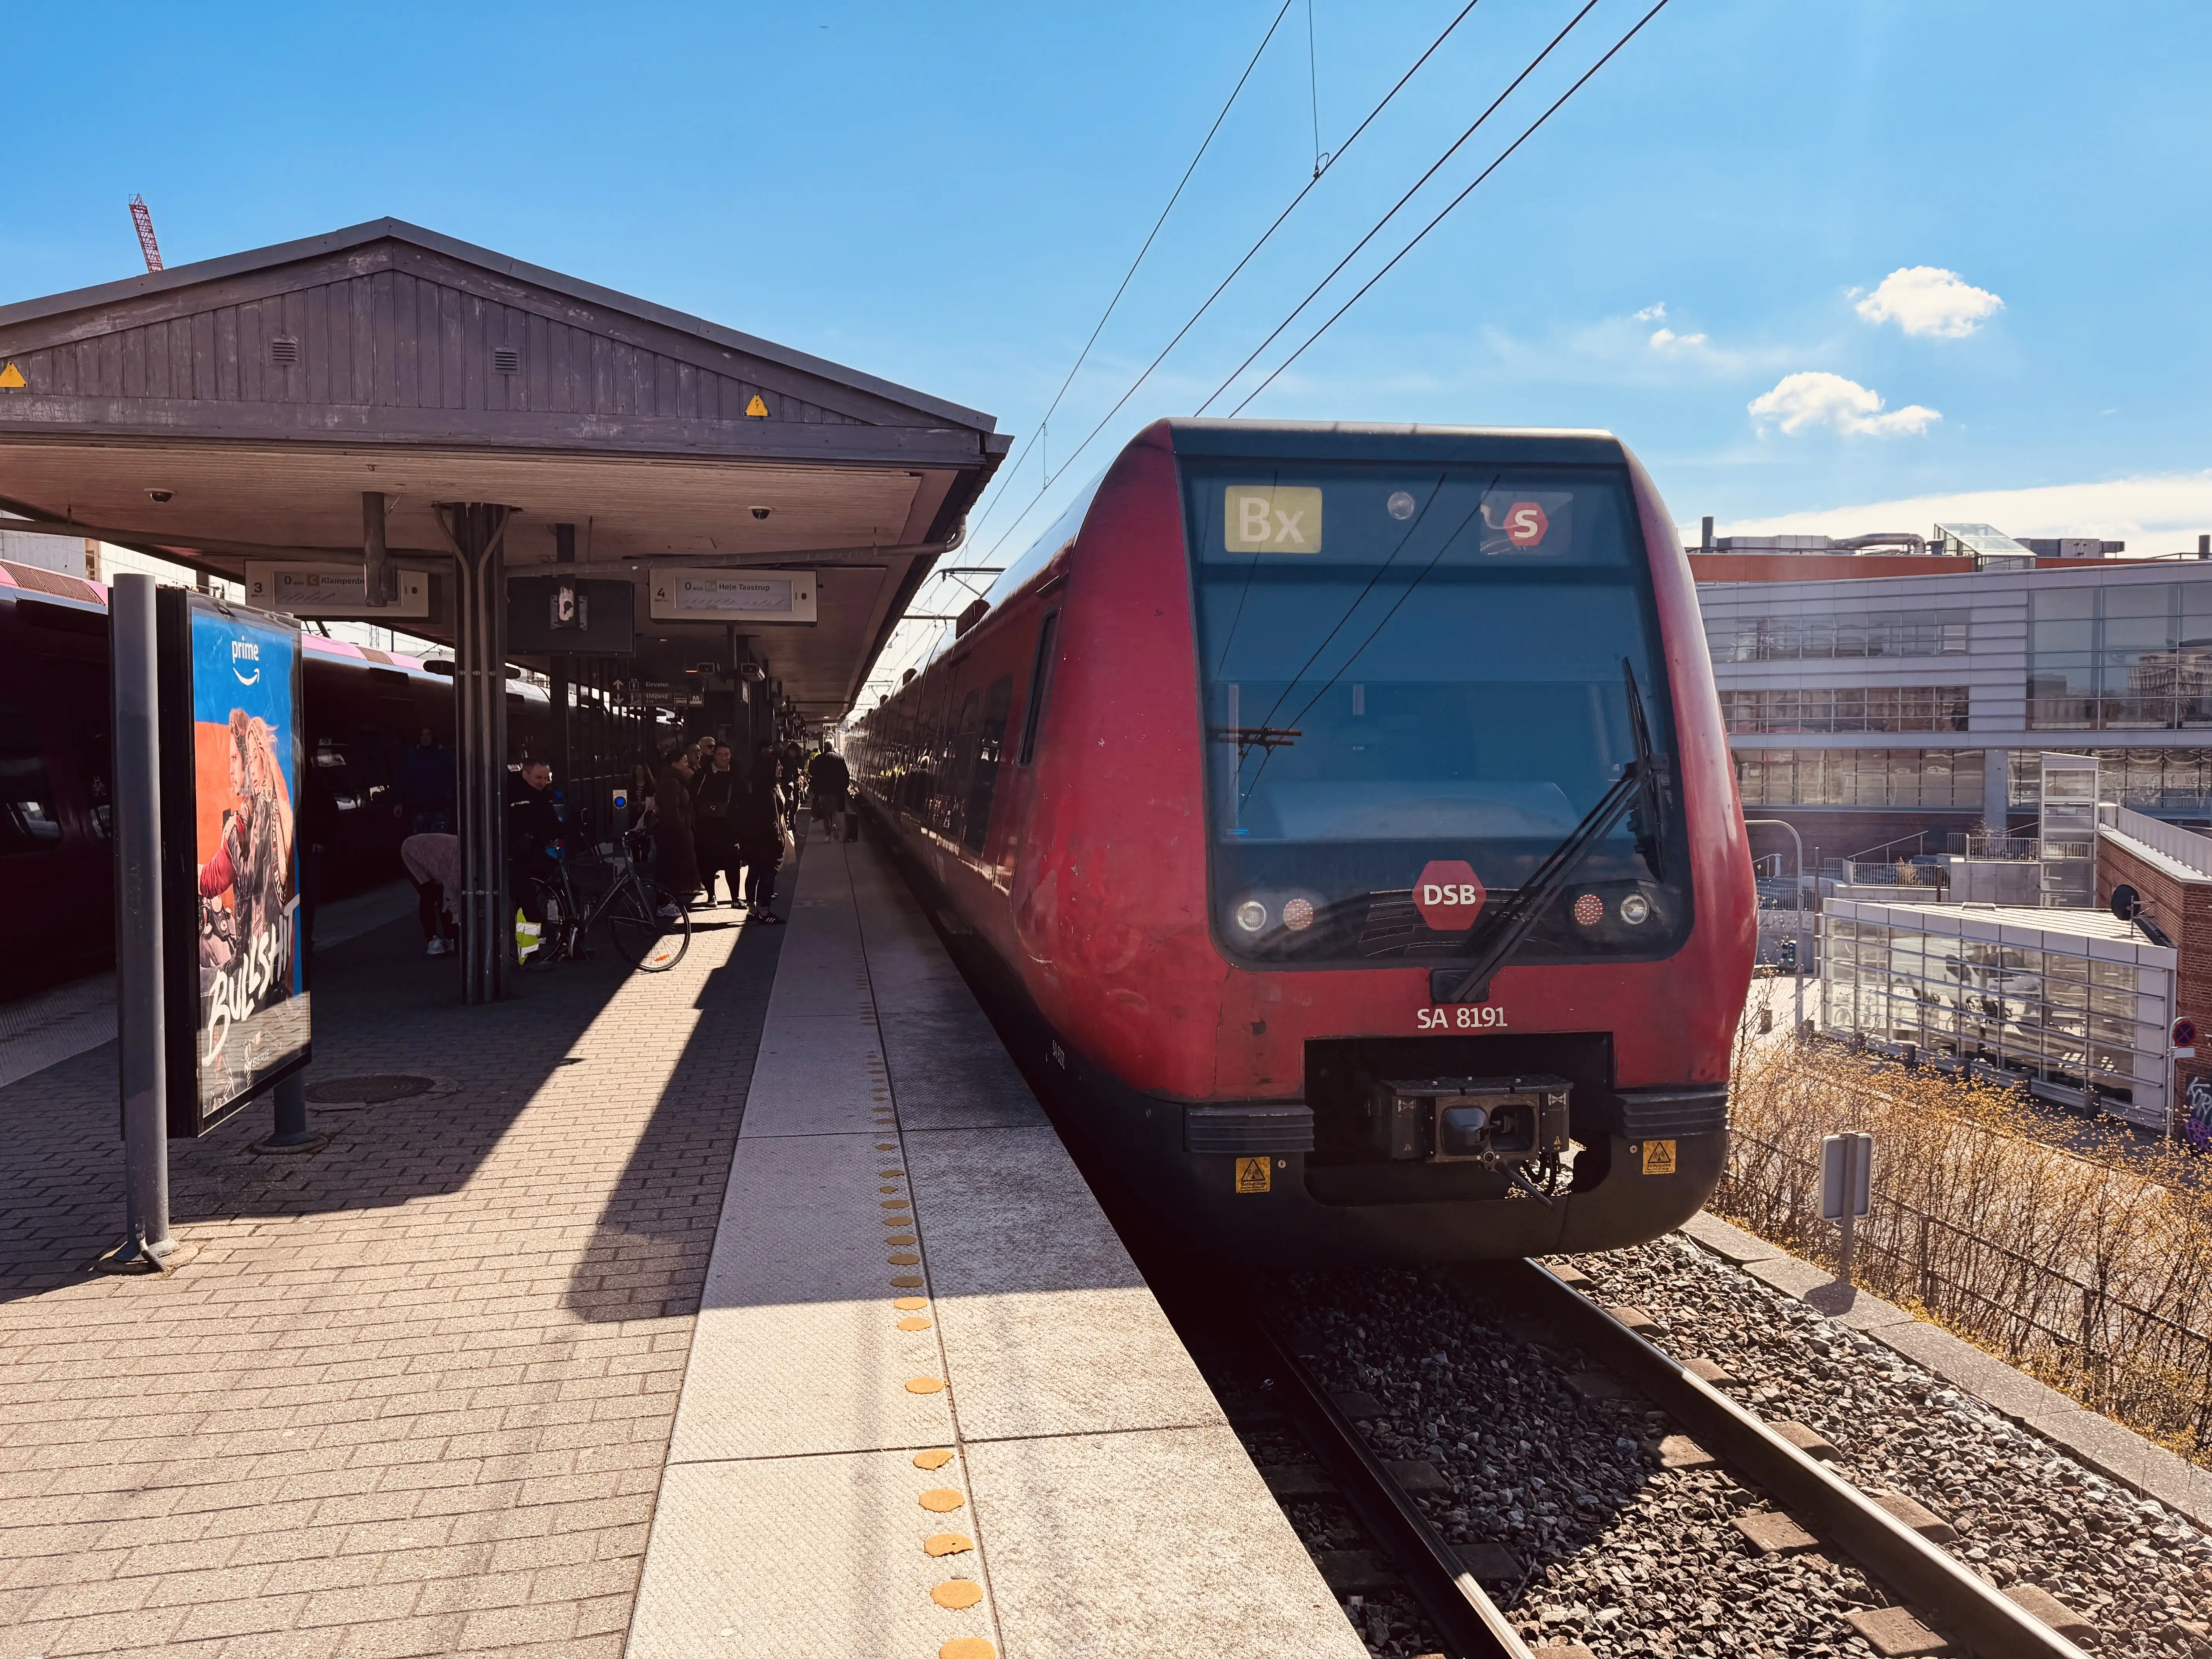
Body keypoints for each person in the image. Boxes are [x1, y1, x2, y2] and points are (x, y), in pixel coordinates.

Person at [507, 757, 563, 960]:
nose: (543, 782)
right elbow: (525, 825)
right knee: (527, 905)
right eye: (539, 778)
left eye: (547, 778)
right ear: (526, 775)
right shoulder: (515, 795)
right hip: (517, 857)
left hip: (535, 853)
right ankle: (529, 955)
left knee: (568, 887)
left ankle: (570, 943)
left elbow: (552, 824)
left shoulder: (543, 795)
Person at [734, 741, 785, 924]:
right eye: (777, 765)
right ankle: (765, 913)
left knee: (754, 873)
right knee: (768, 876)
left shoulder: (754, 788)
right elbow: (771, 821)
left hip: (753, 841)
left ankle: (752, 910)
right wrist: (779, 841)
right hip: (767, 843)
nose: (781, 768)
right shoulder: (768, 793)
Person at [693, 744, 741, 906]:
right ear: (714, 756)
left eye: (727, 754)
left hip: (729, 825)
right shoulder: (703, 774)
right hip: (707, 826)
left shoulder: (735, 774)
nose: (725, 758)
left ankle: (735, 898)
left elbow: (743, 797)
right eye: (721, 754)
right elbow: (693, 796)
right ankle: (711, 896)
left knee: (732, 862)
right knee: (707, 861)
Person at [653, 750, 700, 917]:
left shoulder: (676, 780)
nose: (687, 765)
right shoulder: (672, 782)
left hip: (674, 831)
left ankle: (668, 901)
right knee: (670, 869)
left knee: (671, 868)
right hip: (673, 833)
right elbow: (672, 810)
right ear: (674, 764)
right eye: (684, 762)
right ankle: (665, 904)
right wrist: (682, 826)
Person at [400, 831, 460, 957]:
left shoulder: (464, 855)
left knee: (443, 894)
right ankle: (432, 940)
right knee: (429, 894)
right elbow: (451, 890)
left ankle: (449, 937)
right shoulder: (461, 860)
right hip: (411, 854)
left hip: (435, 858)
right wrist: (457, 916)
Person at [395, 727, 456, 835]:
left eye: (429, 735)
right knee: (421, 840)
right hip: (419, 808)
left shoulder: (444, 756)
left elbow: (453, 778)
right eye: (423, 735)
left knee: (438, 839)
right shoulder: (412, 756)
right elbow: (403, 779)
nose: (425, 738)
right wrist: (399, 802)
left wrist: (449, 796)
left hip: (440, 808)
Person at [807, 744, 852, 844]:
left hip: (822, 791)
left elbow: (812, 772)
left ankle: (828, 836)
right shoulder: (839, 758)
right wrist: (844, 787)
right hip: (836, 790)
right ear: (832, 748)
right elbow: (846, 774)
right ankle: (835, 825)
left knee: (825, 813)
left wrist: (815, 787)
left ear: (824, 748)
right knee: (835, 811)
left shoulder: (818, 759)